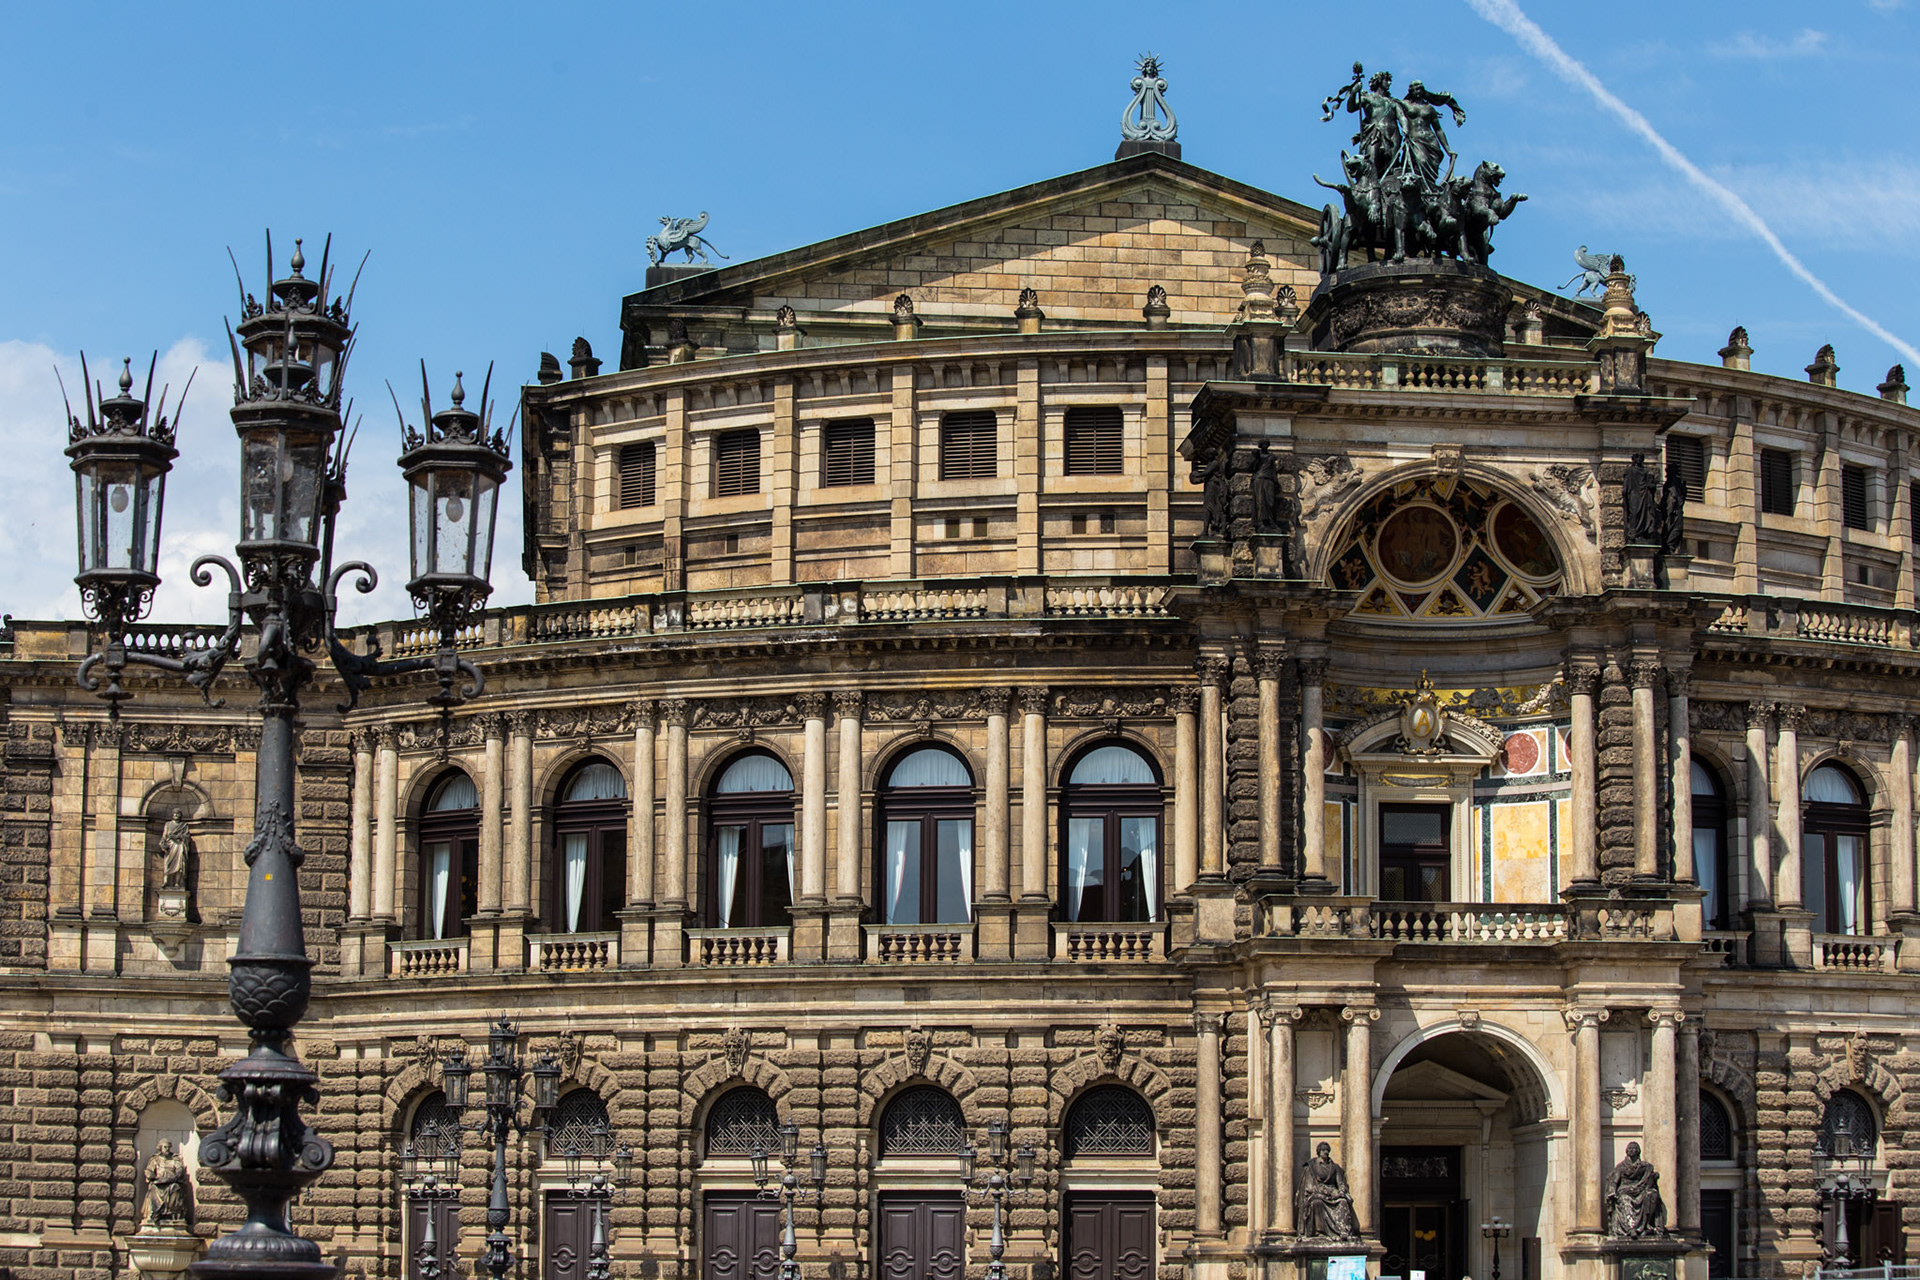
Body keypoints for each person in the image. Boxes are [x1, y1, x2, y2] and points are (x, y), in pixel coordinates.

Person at [1604, 1141, 1668, 1239]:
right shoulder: (1621, 1167)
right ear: (1627, 1151)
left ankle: (1646, 1226)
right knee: (1625, 1199)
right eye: (1630, 1148)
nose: (1632, 1150)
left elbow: (1649, 1178)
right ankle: (1631, 1228)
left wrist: (1653, 1177)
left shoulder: (1645, 1167)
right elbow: (1614, 1181)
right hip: (1625, 1191)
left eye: (1634, 1148)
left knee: (1652, 1194)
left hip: (1641, 1191)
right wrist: (1612, 1191)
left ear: (1638, 1151)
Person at [1298, 1141, 1361, 1239]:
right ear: (1319, 1151)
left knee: (1343, 1201)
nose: (1326, 1152)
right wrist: (1325, 1192)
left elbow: (1341, 1183)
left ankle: (1343, 1231)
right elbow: (1309, 1187)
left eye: (1327, 1150)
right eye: (1323, 1150)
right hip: (1318, 1193)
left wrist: (1340, 1191)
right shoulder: (1311, 1167)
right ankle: (1321, 1231)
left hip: (1333, 1194)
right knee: (1316, 1202)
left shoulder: (1334, 1167)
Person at [142, 1139, 191, 1227]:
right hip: (158, 1183)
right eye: (165, 1147)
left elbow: (179, 1170)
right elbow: (149, 1170)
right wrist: (151, 1175)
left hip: (171, 1182)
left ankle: (171, 1214)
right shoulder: (155, 1159)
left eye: (168, 1147)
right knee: (153, 1188)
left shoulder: (175, 1159)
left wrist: (175, 1176)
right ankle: (156, 1213)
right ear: (160, 1148)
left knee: (176, 1188)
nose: (167, 1149)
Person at [160, 810, 192, 891]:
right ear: (172, 814)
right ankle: (166, 881)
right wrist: (163, 843)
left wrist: (179, 836)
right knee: (168, 864)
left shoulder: (184, 825)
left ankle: (177, 882)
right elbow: (164, 836)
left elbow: (187, 836)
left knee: (179, 865)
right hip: (170, 846)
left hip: (179, 846)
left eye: (178, 813)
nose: (176, 815)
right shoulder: (168, 824)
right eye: (175, 813)